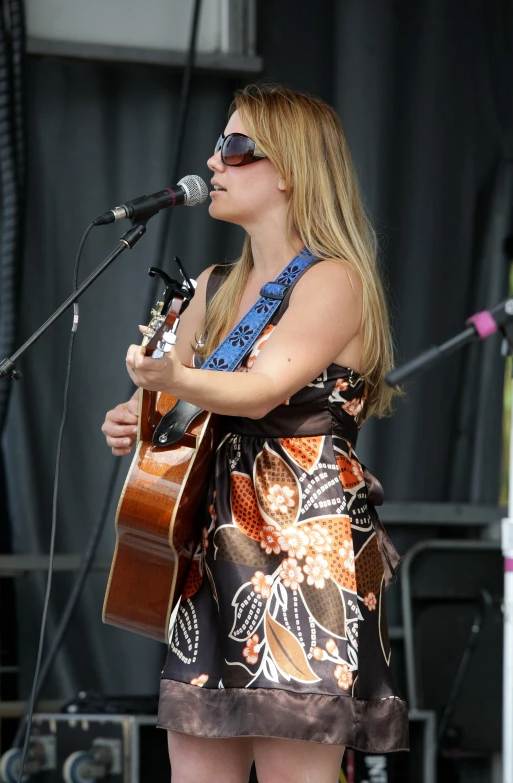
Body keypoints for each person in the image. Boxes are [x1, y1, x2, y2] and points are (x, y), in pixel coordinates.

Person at [101, 83, 408, 783]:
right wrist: (135, 419)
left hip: (305, 557)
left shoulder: (335, 281)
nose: (213, 162)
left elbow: (261, 387)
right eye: (216, 147)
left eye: (235, 148)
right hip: (214, 557)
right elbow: (172, 412)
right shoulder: (207, 286)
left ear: (290, 167)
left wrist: (168, 379)